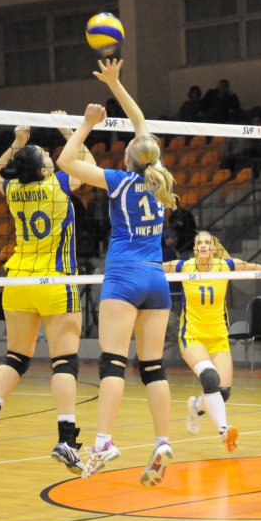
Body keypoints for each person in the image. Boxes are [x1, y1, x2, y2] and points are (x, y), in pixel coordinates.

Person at [57, 59, 178, 487]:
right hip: (156, 279)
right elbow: (140, 122)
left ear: (127, 158)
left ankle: (104, 442)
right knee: (153, 367)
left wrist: (85, 125)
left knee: (112, 362)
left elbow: (66, 161)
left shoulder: (118, 181)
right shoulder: (161, 181)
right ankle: (162, 440)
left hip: (124, 276)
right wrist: (116, 83)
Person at [0, 122, 86, 477]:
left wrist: (16, 142)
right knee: (64, 361)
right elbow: (86, 166)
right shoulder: (59, 184)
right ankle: (66, 440)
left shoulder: (14, 189)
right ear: (45, 170)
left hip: (18, 280)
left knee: (16, 357)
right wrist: (71, 135)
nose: (50, 155)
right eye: (46, 155)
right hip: (55, 281)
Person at [164, 231, 261, 449]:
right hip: (192, 336)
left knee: (224, 391)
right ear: (194, 249)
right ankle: (224, 431)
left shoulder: (225, 266)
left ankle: (196, 406)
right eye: (199, 243)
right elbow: (155, 268)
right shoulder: (183, 267)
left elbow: (252, 267)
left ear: (213, 248)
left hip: (218, 337)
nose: (203, 246)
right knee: (210, 377)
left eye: (207, 243)